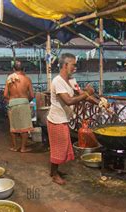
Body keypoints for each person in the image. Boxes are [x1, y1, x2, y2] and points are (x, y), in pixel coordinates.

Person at [47, 53, 95, 185]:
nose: (75, 67)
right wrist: (87, 93)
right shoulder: (57, 81)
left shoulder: (72, 80)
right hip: (56, 120)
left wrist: (100, 103)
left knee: (60, 147)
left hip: (63, 119)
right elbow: (68, 101)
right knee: (59, 148)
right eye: (73, 65)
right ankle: (55, 175)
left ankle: (53, 171)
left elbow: (81, 94)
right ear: (65, 65)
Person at [3, 60, 34, 152]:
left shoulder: (9, 78)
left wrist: (12, 100)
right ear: (23, 69)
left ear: (13, 69)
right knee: (24, 127)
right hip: (24, 103)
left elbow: (5, 95)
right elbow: (32, 95)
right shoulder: (27, 79)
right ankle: (23, 148)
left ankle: (15, 147)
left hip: (12, 103)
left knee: (13, 127)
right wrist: (25, 101)